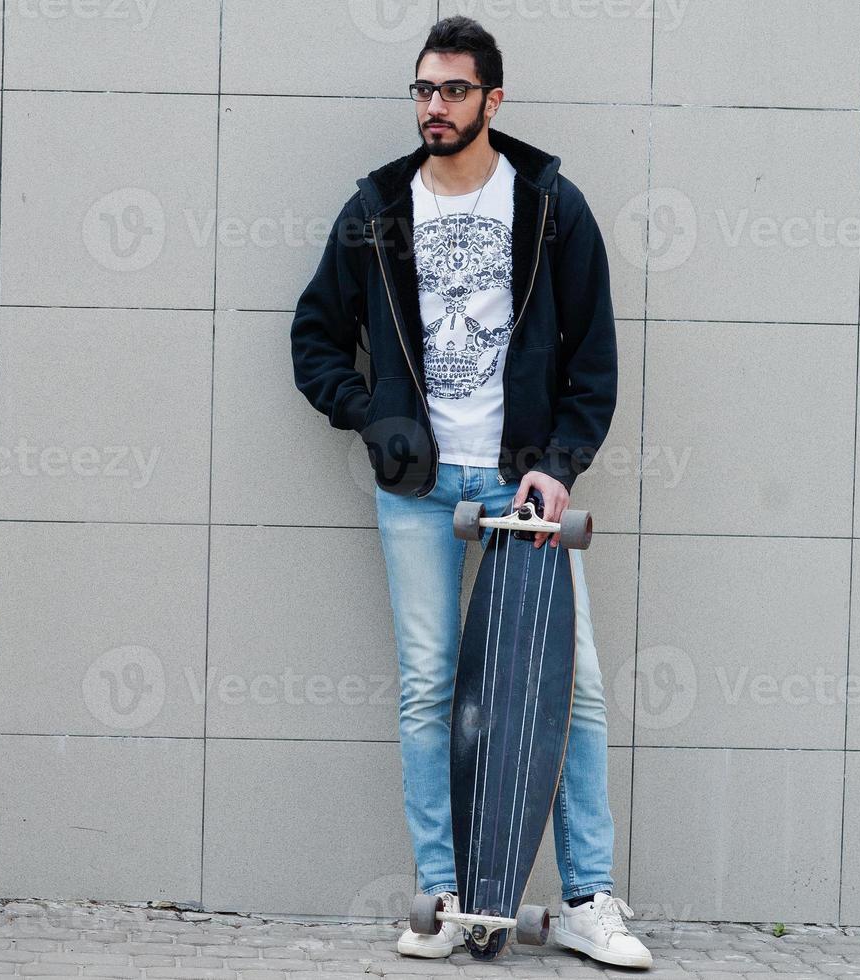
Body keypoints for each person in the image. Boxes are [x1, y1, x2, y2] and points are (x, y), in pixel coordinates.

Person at [289, 16, 651, 970]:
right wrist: (374, 420)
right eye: (422, 90)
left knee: (568, 692)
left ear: (494, 99)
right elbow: (313, 337)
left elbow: (594, 362)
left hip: (517, 482)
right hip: (417, 489)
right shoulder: (375, 208)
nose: (433, 108)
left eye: (451, 91)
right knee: (426, 688)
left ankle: (586, 899)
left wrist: (557, 463)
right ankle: (442, 900)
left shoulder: (548, 207)